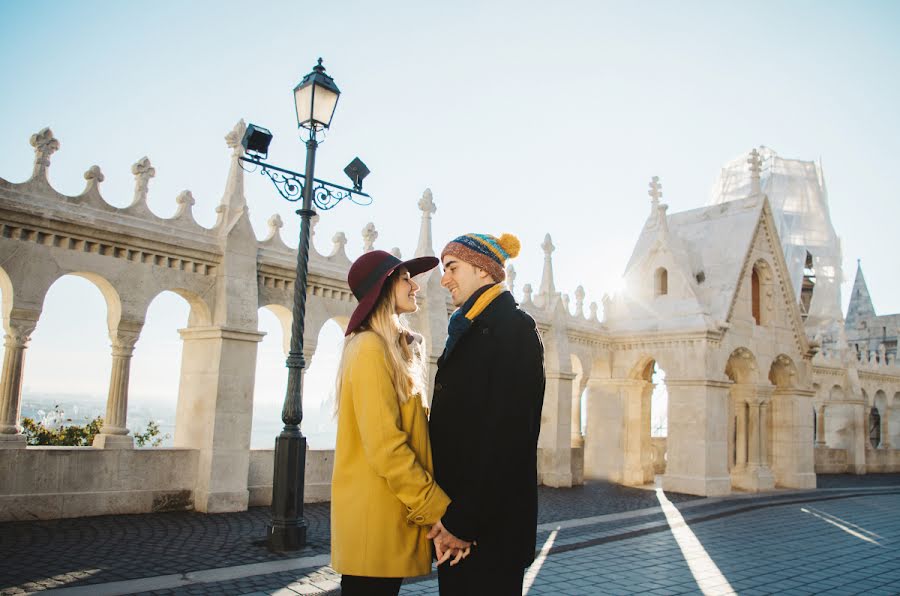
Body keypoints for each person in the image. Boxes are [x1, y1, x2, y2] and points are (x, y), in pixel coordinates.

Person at [331, 249, 457, 596]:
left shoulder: (390, 347)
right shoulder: (370, 347)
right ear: (384, 286)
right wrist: (437, 509)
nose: (414, 286)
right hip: (376, 523)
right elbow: (387, 446)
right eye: (404, 278)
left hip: (390, 516)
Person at [428, 233, 546, 595]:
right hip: (459, 524)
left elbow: (508, 438)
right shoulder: (470, 327)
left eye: (452, 267)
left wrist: (462, 524)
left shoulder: (514, 329)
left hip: (488, 531)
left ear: (483, 270)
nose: (444, 278)